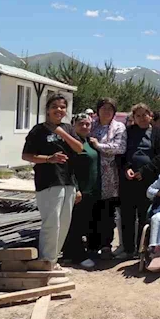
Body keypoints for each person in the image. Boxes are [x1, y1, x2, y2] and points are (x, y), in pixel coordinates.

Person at [21, 94, 84, 271]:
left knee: (64, 223)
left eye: (62, 107)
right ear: (47, 110)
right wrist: (49, 158)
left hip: (68, 181)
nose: (59, 110)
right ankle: (45, 260)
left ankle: (53, 261)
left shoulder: (68, 128)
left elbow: (79, 148)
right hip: (48, 181)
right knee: (51, 223)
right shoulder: (38, 130)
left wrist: (62, 133)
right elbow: (26, 155)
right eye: (55, 106)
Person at [118, 103, 160, 259]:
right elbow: (121, 153)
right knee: (127, 215)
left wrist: (144, 171)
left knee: (144, 214)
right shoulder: (128, 132)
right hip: (128, 179)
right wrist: (126, 168)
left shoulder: (158, 133)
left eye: (144, 115)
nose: (141, 118)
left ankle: (143, 248)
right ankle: (128, 249)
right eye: (137, 115)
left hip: (148, 180)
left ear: (150, 115)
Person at [88, 97, 126, 260]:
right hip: (91, 174)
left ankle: (105, 245)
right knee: (92, 211)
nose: (107, 112)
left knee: (107, 212)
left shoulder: (119, 127)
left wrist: (98, 146)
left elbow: (120, 148)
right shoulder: (92, 125)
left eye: (110, 109)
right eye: (103, 108)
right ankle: (91, 245)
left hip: (110, 176)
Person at [63, 113, 101, 269]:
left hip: (92, 190)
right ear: (73, 125)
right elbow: (68, 168)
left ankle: (72, 253)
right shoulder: (72, 143)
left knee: (86, 223)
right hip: (80, 191)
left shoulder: (89, 142)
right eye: (81, 124)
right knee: (76, 225)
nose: (85, 127)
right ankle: (77, 256)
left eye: (87, 124)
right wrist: (76, 188)